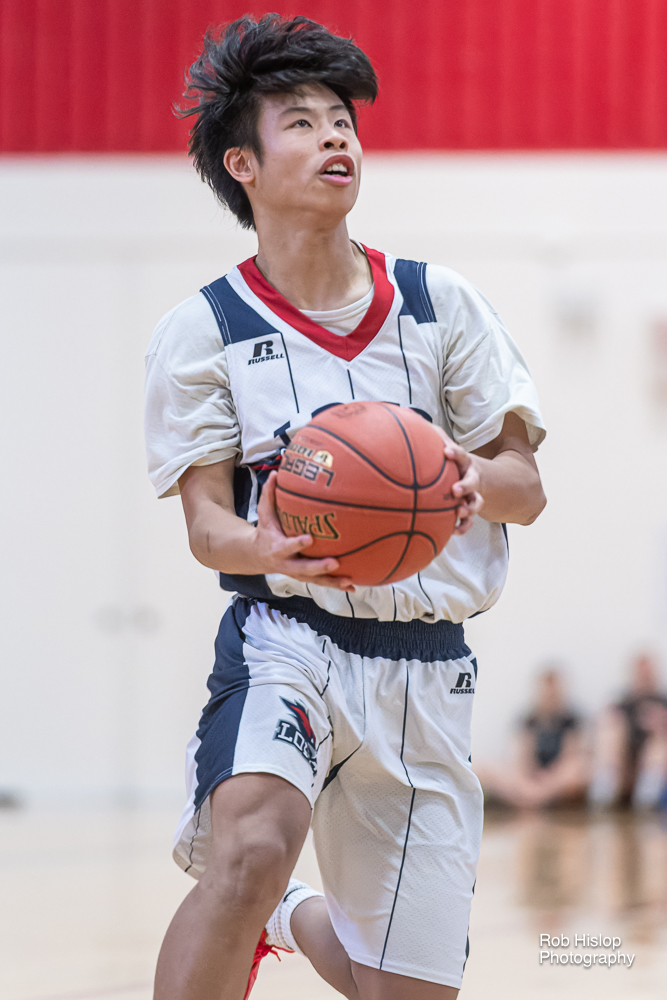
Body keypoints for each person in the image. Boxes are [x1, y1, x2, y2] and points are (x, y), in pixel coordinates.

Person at [144, 14, 547, 1000]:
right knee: (250, 847)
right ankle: (257, 893)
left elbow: (526, 489)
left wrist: (463, 475)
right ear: (242, 163)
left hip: (426, 670)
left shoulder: (438, 303)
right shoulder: (204, 329)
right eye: (303, 122)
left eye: (343, 121)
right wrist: (263, 545)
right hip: (288, 635)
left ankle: (289, 917)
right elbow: (207, 528)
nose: (336, 137)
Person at [475, 669, 588, 809]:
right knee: (483, 767)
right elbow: (522, 759)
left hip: (556, 780)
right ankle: (534, 798)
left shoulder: (572, 720)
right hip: (531, 779)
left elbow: (569, 757)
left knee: (577, 768)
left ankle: (529, 800)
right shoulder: (528, 720)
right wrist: (530, 779)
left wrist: (548, 780)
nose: (550, 696)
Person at [589, 653, 667, 810]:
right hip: (623, 759)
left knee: (658, 741)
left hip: (652, 759)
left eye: (648, 673)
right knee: (610, 732)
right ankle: (604, 793)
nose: (645, 676)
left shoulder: (662, 702)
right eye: (641, 672)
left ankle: (647, 799)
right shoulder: (621, 701)